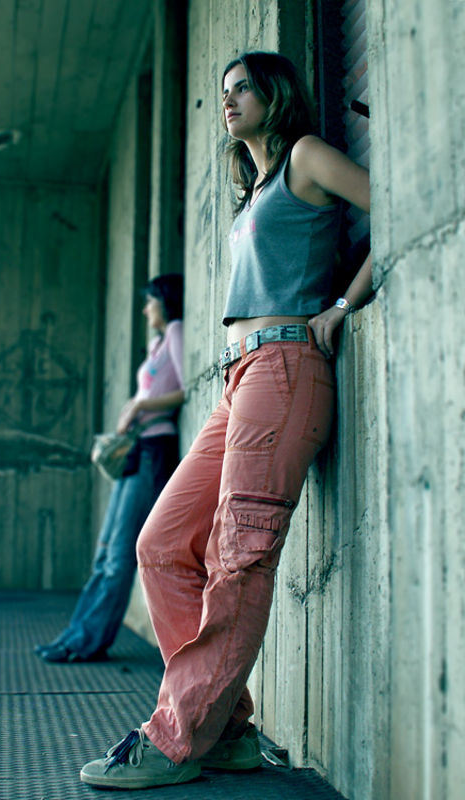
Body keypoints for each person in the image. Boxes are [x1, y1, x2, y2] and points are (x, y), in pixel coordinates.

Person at [80, 51, 373, 789]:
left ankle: (177, 738)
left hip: (285, 368)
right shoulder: (257, 189)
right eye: (222, 91)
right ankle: (227, 730)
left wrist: (342, 306)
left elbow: (392, 205)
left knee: (239, 556)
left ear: (275, 92)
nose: (229, 100)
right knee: (161, 544)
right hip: (237, 379)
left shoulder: (305, 156)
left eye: (242, 87)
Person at [35, 273, 185, 664]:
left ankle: (87, 642)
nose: (145, 309)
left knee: (119, 556)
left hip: (154, 449)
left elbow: (184, 390)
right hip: (137, 449)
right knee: (104, 552)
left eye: (149, 301)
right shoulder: (156, 344)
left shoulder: (176, 332)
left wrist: (139, 405)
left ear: (164, 301)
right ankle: (76, 636)